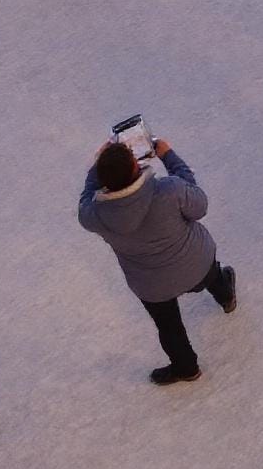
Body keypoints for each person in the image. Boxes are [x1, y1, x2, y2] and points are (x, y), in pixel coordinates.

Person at [78, 136, 237, 386]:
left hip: (152, 287)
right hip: (196, 262)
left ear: (103, 179)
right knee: (214, 275)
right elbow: (199, 205)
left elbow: (85, 200)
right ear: (135, 165)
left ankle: (186, 368)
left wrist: (96, 169)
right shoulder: (169, 190)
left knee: (168, 325)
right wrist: (168, 156)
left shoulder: (96, 215)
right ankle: (227, 296)